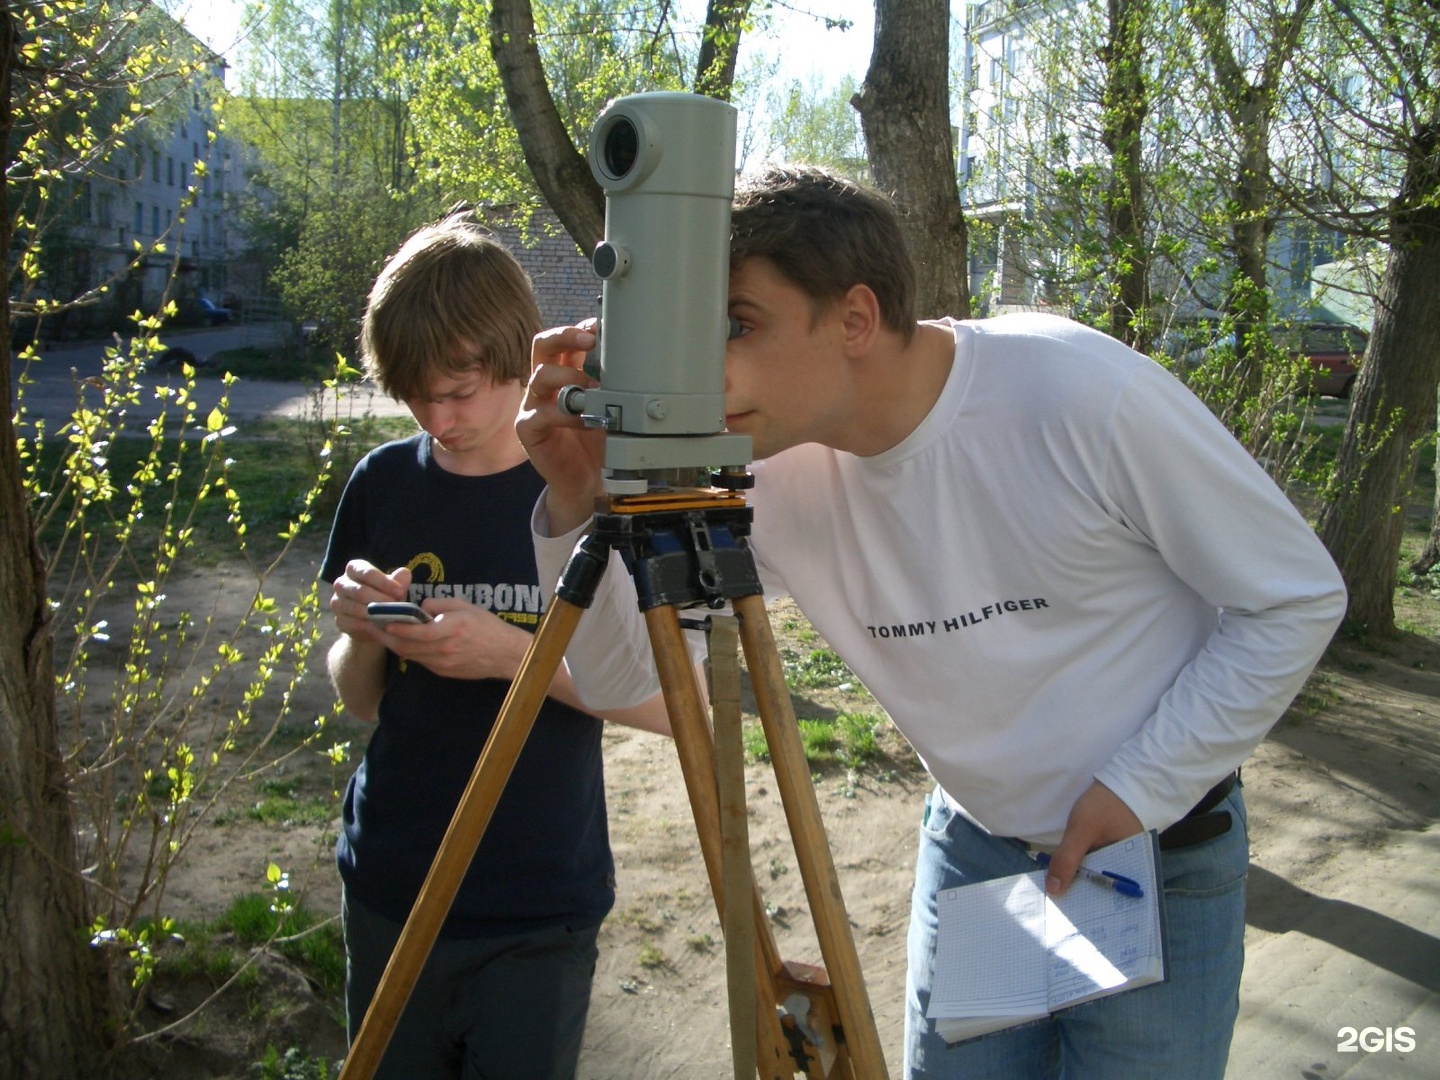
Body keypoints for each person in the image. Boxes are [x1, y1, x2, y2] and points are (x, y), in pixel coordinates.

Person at [517, 165, 1348, 1079]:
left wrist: (1137, 790)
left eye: (737, 325)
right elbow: (623, 679)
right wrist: (576, 497)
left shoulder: (1076, 393)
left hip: (1154, 857)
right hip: (979, 852)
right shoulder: (764, 465)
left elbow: (1294, 597)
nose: (704, 365)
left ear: (856, 319)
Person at [320, 208, 670, 1080]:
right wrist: (363, 634)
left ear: (516, 362)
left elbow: (675, 709)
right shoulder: (384, 482)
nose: (436, 415)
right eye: (414, 393)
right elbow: (361, 700)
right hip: (392, 882)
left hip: (536, 903)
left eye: (459, 389)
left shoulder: (581, 486)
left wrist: (513, 658)